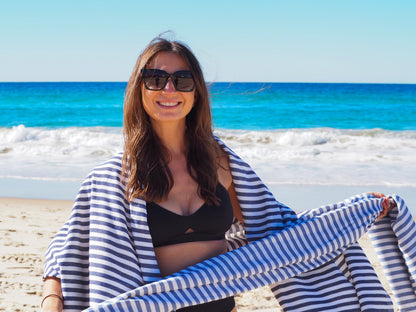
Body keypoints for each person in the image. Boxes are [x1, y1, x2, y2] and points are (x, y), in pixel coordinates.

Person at [41, 36, 395, 312]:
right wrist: (51, 302)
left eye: (182, 80)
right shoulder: (112, 179)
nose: (169, 90)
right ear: (139, 88)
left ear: (196, 93)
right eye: (156, 78)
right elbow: (69, 247)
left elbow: (277, 228)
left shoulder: (221, 161)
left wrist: (356, 212)